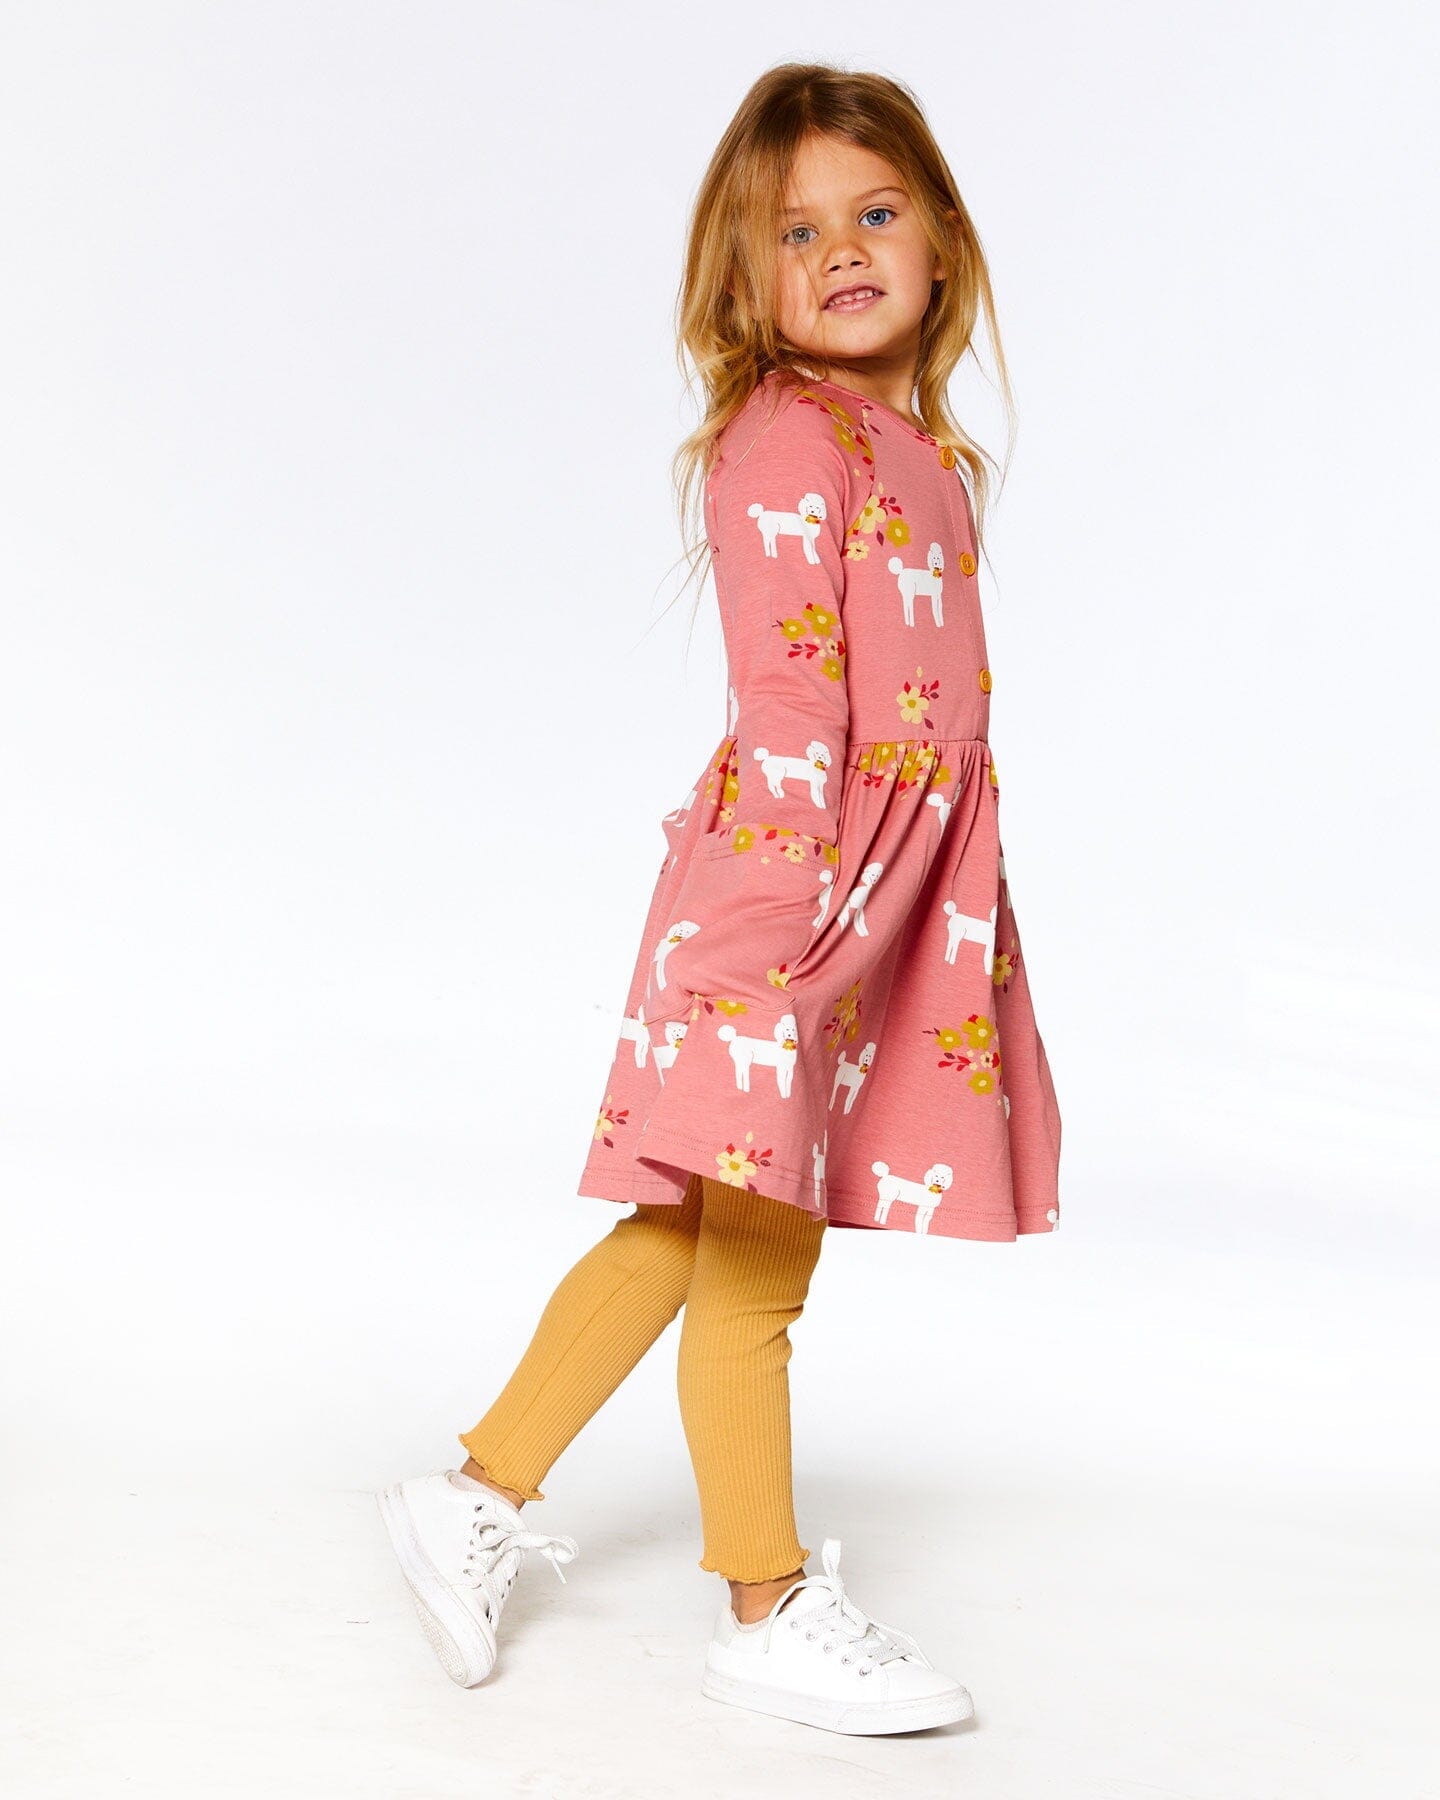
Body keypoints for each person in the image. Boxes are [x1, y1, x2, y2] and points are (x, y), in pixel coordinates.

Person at [378, 61, 1062, 1738]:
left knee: (695, 1226)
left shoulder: (923, 450)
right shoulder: (785, 438)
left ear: (943, 235)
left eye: (873, 213)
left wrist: (937, 915)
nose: (842, 251)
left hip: (884, 896)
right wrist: (773, 946)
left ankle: (473, 1494)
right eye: (794, 232)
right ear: (743, 283)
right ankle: (762, 1604)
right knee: (756, 1246)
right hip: (797, 889)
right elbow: (792, 708)